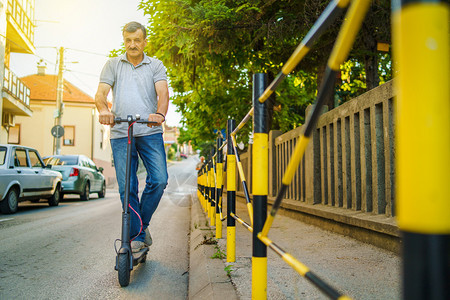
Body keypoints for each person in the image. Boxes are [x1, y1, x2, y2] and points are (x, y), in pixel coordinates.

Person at [95, 21, 169, 253]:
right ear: (124, 41)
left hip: (149, 131)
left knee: (159, 180)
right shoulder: (113, 64)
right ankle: (137, 235)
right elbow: (100, 93)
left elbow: (163, 92)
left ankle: (140, 227)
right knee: (127, 187)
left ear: (145, 41)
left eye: (137, 40)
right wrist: (104, 110)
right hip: (121, 132)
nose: (132, 44)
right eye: (128, 41)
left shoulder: (155, 65)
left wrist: (160, 113)